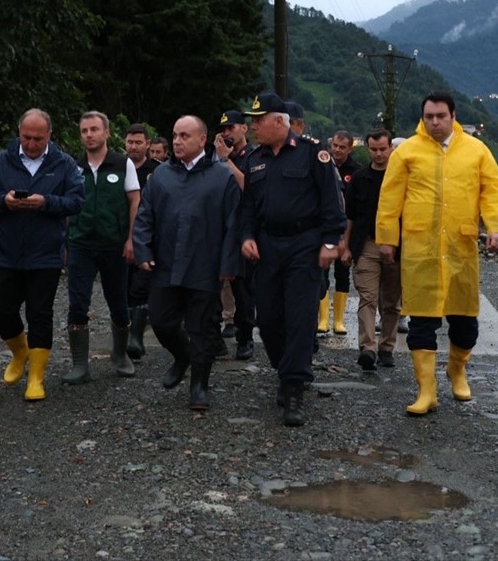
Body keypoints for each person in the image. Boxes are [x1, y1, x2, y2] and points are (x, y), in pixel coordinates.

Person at [376, 92, 498, 417]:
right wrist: (387, 239)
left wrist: (496, 228)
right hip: (421, 250)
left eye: (440, 116)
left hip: (461, 250)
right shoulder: (406, 152)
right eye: (429, 116)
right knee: (421, 321)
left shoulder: (476, 151)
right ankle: (426, 391)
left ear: (453, 116)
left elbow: (493, 190)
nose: (434, 122)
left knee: (465, 322)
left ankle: (457, 370)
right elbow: (390, 199)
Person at [239, 93, 346, 426]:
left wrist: (331, 242)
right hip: (269, 245)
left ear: (279, 121)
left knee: (300, 317)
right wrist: (246, 236)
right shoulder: (255, 158)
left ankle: (294, 387)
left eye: (258, 120)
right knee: (268, 318)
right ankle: (287, 369)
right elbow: (247, 208)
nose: (253, 126)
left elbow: (332, 201)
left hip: (305, 244)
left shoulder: (315, 154)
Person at [133, 116, 242, 411]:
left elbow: (234, 224)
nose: (178, 141)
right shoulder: (162, 176)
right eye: (175, 135)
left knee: (204, 327)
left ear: (202, 140)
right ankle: (182, 356)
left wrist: (228, 265)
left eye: (184, 136)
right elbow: (144, 217)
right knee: (161, 320)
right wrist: (142, 251)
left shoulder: (222, 177)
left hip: (205, 265)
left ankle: (199, 384)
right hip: (166, 263)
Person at [0, 109, 85, 401]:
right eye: (26, 137)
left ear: (49, 135)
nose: (32, 143)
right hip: (7, 252)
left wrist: (46, 202)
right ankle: (19, 352)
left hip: (46, 254)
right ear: (18, 132)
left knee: (40, 314)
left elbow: (77, 201)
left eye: (38, 138)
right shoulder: (1, 161)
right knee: (2, 309)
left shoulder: (64, 164)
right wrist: (4, 201)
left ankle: (36, 377)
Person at [64, 111, 141, 384]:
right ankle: (79, 364)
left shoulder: (123, 164)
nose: (89, 135)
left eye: (94, 129)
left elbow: (134, 201)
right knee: (78, 302)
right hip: (81, 243)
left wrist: (132, 239)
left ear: (106, 132)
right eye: (84, 130)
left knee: (118, 302)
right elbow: (66, 206)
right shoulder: (73, 167)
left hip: (114, 244)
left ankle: (120, 355)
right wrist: (66, 241)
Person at [341, 129, 402, 371]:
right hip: (365, 244)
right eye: (374, 149)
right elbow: (350, 216)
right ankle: (367, 347)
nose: (378, 154)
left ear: (390, 149)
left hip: (396, 246)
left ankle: (387, 346)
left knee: (391, 301)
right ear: (368, 149)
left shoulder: (400, 178)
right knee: (367, 297)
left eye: (382, 149)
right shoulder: (359, 178)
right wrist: (345, 246)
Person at [212, 108, 258, 359]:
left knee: (244, 288)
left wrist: (226, 159)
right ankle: (214, 336)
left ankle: (245, 338)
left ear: (244, 128)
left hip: (243, 228)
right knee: (213, 285)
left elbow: (248, 187)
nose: (227, 133)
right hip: (220, 227)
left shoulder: (253, 156)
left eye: (231, 128)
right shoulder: (215, 157)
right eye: (223, 129)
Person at [317, 130, 360, 336]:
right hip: (325, 227)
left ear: (350, 148)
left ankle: (340, 320)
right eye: (335, 145)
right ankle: (323, 318)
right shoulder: (322, 163)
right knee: (322, 272)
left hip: (346, 227)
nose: (337, 150)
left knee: (343, 271)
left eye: (342, 147)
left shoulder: (357, 171)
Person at [124, 123, 161, 360]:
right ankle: (124, 335)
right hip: (122, 236)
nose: (134, 147)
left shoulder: (159, 171)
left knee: (141, 287)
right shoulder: (118, 166)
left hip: (150, 237)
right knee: (122, 288)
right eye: (130, 142)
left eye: (138, 142)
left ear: (148, 144)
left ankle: (135, 338)